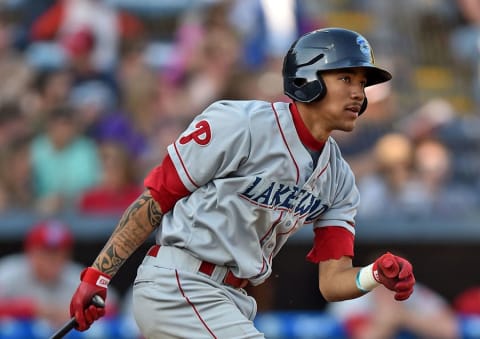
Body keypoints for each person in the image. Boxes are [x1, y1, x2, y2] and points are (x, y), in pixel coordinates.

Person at [68, 27, 416, 338]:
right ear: (307, 79)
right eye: (346, 78)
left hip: (234, 300)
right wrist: (97, 276)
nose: (358, 93)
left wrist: (373, 275)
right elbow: (156, 199)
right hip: (178, 284)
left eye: (361, 83)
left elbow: (331, 282)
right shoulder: (240, 124)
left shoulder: (339, 178)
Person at [0, 220, 118, 328]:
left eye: (58, 253)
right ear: (30, 252)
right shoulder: (9, 272)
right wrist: (29, 310)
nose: (52, 259)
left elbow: (111, 307)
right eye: (45, 252)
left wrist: (77, 313)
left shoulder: (78, 276)